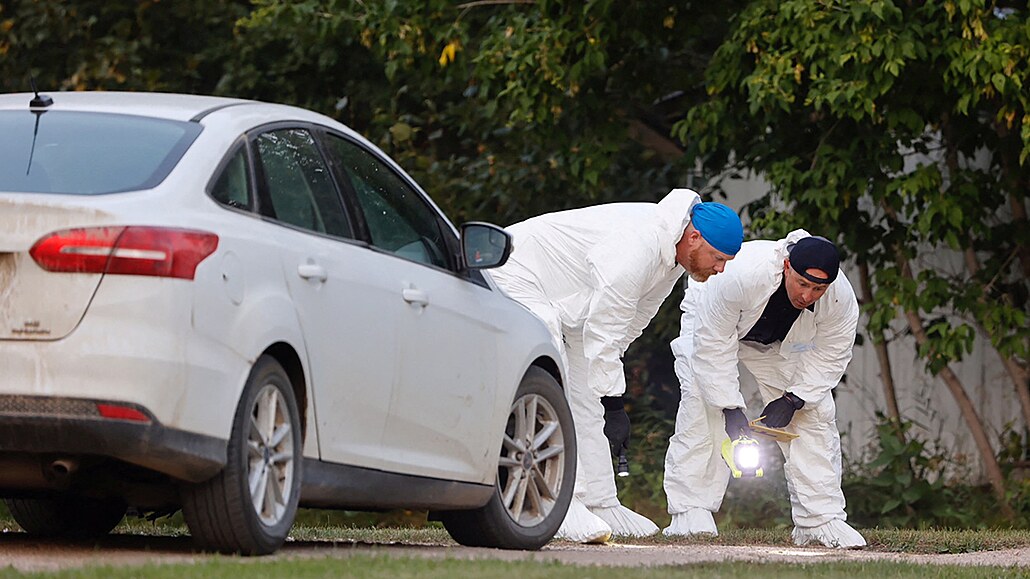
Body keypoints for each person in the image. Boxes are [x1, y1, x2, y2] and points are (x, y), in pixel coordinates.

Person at [489, 188, 743, 543]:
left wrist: (606, 393)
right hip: (514, 269)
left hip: (571, 303)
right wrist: (614, 402)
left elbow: (631, 322)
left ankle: (600, 501)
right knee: (554, 373)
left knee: (588, 392)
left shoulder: (672, 257)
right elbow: (606, 326)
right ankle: (560, 502)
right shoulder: (639, 246)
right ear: (694, 237)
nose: (720, 269)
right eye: (718, 258)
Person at [662, 230, 866, 548]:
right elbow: (713, 347)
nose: (808, 295)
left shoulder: (840, 298)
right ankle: (691, 512)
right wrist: (730, 408)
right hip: (711, 323)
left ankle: (819, 520)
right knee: (702, 406)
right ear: (787, 266)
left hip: (773, 342)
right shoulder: (741, 276)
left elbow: (832, 353)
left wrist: (794, 398)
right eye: (802, 284)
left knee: (814, 413)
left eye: (818, 289)